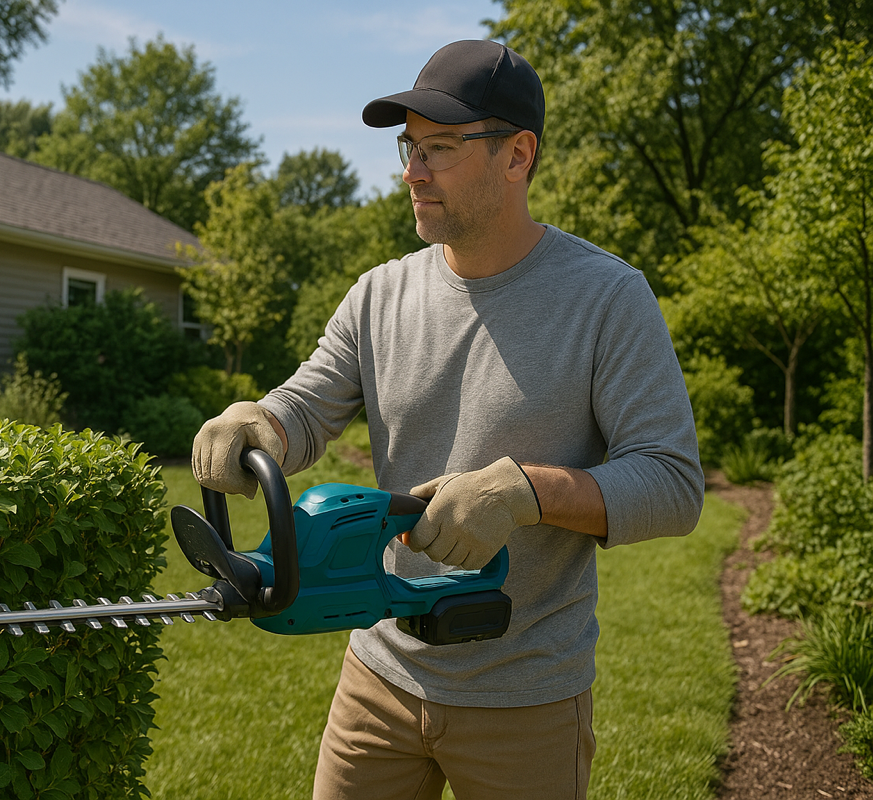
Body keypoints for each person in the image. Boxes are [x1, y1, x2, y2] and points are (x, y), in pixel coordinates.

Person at [191, 39, 704, 800]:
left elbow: (672, 483)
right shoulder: (379, 294)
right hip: (379, 675)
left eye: (439, 148)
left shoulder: (606, 299)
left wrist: (523, 490)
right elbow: (306, 405)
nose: (412, 171)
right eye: (409, 147)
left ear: (517, 155)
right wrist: (257, 421)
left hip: (525, 696)